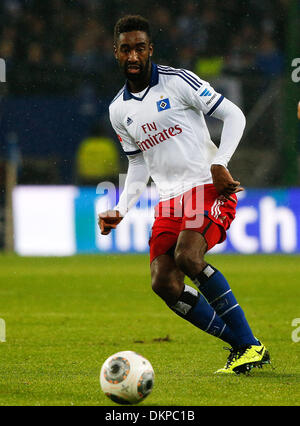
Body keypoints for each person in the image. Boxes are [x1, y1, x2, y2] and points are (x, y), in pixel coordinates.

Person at [98, 15, 270, 375]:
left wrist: (220, 163)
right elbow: (139, 165)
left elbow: (234, 115)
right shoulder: (118, 110)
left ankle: (249, 344)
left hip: (205, 187)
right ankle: (244, 345)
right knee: (164, 282)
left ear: (150, 50)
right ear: (116, 53)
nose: (133, 56)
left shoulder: (178, 82)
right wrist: (121, 208)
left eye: (140, 48)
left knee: (189, 257)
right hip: (169, 200)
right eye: (126, 49)